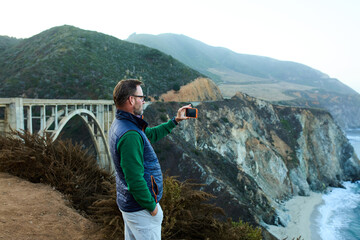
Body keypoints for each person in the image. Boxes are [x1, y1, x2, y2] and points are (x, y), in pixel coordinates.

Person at [109, 79, 191, 240]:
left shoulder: (123, 124)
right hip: (141, 210)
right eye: (141, 97)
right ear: (131, 100)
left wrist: (175, 121)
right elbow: (134, 179)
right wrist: (152, 208)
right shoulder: (130, 134)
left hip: (130, 205)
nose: (143, 100)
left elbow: (149, 135)